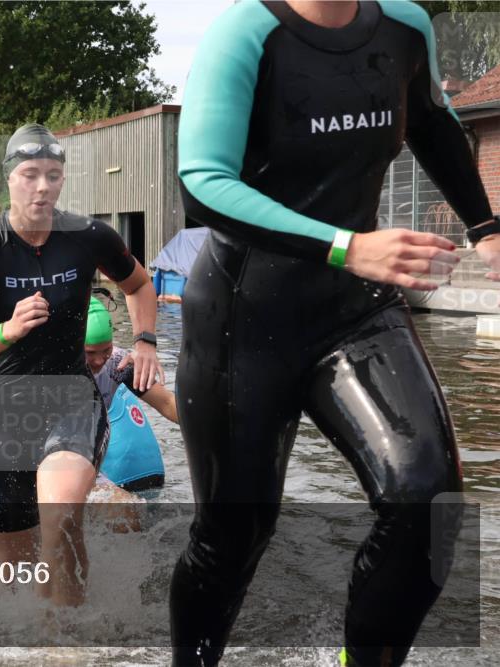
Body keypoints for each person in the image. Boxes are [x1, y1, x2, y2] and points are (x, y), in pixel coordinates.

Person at [170, 2, 500, 665]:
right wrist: (346, 245)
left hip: (357, 309)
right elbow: (203, 186)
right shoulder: (246, 33)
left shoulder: (405, 26)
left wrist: (487, 228)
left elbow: (431, 121)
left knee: (427, 499)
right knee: (234, 534)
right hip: (242, 319)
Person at [0, 123, 162, 606]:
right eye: (30, 175)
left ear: (63, 179)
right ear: (9, 178)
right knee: (14, 572)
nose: (42, 186)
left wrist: (146, 341)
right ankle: (42, 630)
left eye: (52, 175)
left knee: (58, 521)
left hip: (70, 399)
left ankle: (67, 640)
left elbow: (139, 285)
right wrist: (9, 329)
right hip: (1, 410)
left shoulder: (88, 236)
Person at [85, 294, 174, 492]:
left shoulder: (116, 363)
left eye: (106, 350)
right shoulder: (55, 370)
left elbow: (167, 403)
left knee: (127, 507)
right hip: (55, 456)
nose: (99, 361)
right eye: (90, 352)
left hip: (91, 456)